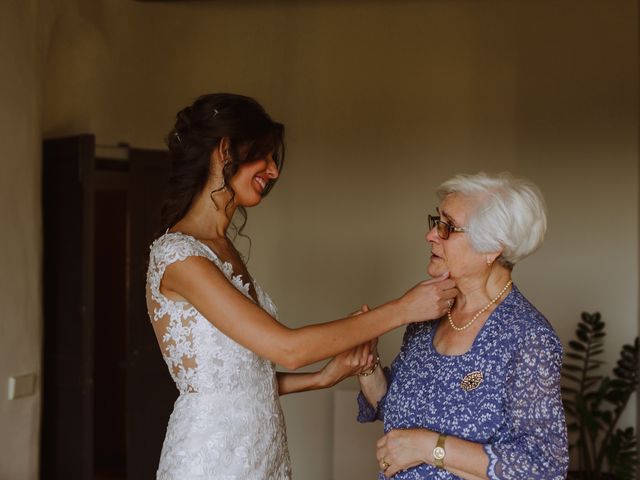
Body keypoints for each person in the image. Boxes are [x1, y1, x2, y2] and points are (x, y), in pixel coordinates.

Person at [145, 93, 458, 479]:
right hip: (212, 458)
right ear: (225, 150)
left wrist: (323, 377)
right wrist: (402, 310)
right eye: (264, 155)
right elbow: (286, 348)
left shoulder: (223, 249)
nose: (273, 171)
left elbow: (240, 382)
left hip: (266, 449)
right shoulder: (179, 257)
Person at [355, 172, 569, 479]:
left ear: (492, 247)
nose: (431, 235)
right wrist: (366, 365)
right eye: (435, 222)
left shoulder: (527, 337)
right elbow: (398, 414)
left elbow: (542, 468)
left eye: (447, 227)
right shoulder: (429, 313)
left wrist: (428, 447)